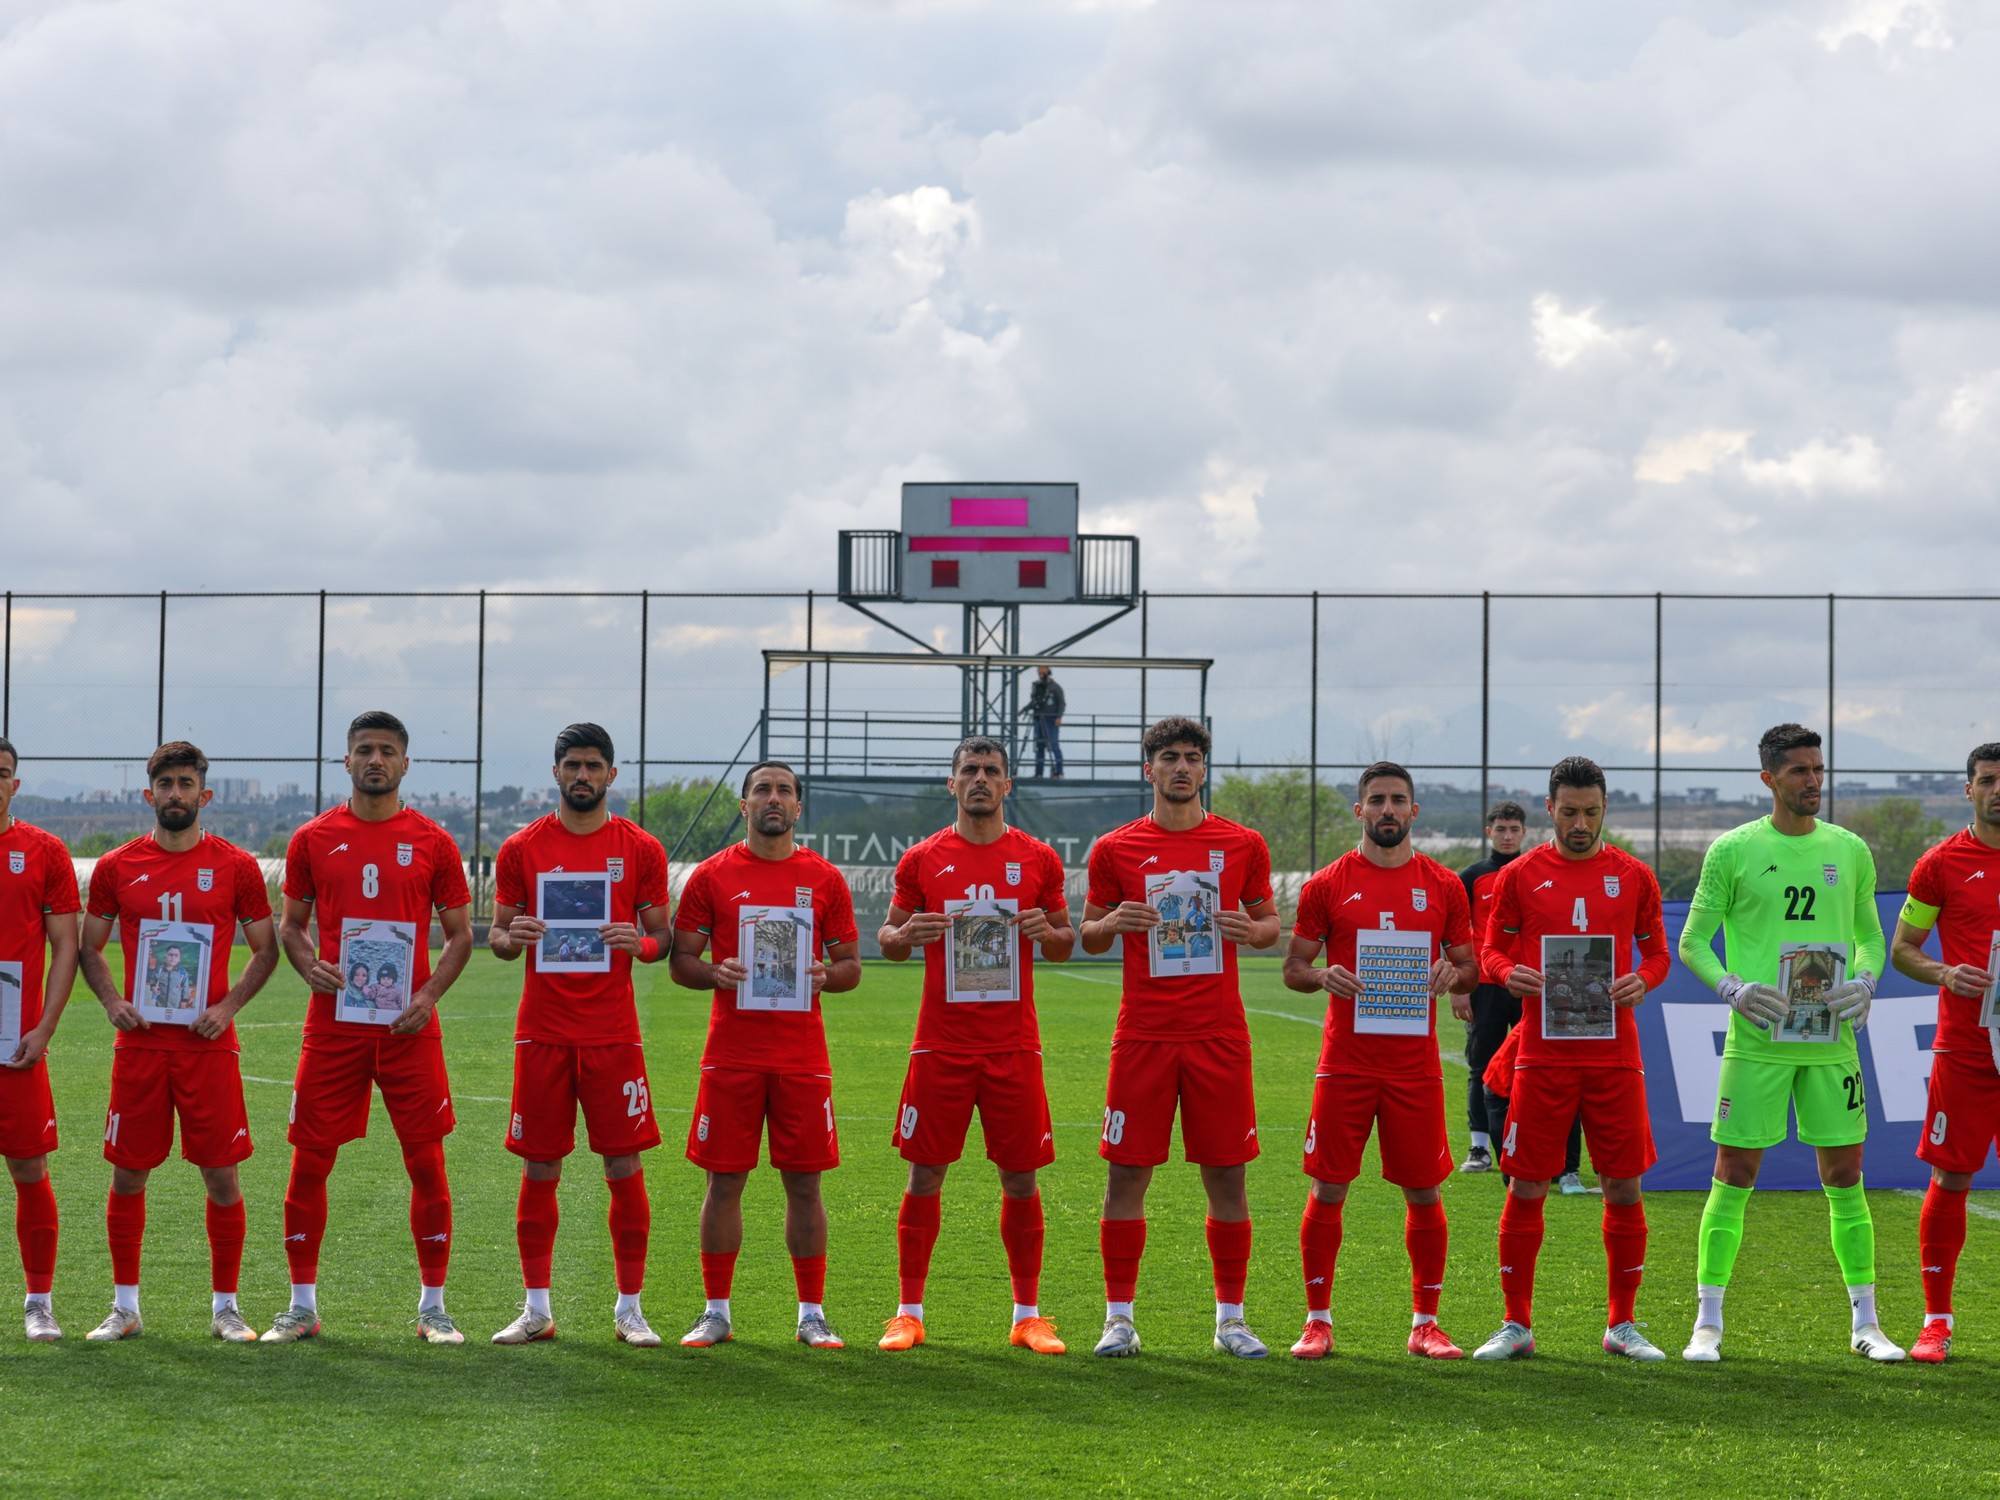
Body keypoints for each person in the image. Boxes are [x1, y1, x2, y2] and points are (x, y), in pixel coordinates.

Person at [1676, 723, 1899, 1363]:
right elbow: (1693, 942)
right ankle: (1707, 1325)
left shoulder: (1850, 849)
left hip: (1832, 1042)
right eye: (1799, 771)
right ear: (1769, 778)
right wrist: (1734, 991)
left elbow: (1871, 937)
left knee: (1846, 1175)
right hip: (1758, 1041)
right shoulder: (1734, 850)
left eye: (1818, 769)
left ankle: (1867, 1324)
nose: (1813, 782)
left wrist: (1864, 979)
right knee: (1734, 1173)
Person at [265, 711, 475, 1345]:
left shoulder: (434, 841)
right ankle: (302, 1306)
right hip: (333, 1025)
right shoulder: (312, 837)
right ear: (348, 761)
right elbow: (291, 926)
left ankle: (433, 1307)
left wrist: (430, 993)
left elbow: (462, 935)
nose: (375, 759)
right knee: (310, 1161)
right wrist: (309, 966)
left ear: (406, 763)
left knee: (427, 1163)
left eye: (387, 750)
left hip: (410, 1025)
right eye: (364, 750)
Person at [1079, 715, 1281, 1358]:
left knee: (1227, 1177)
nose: (1182, 767)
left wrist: (1253, 933)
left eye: (1193, 757)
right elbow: (1086, 935)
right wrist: (1113, 919)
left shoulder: (1242, 843)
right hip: (1143, 1035)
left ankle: (1231, 1320)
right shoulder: (1115, 848)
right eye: (1169, 757)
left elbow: (1271, 923)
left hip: (1219, 1035)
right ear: (1149, 769)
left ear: (1204, 769)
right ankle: (1118, 1318)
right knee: (1125, 1177)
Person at [876, 735, 1074, 1355]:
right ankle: (908, 1312)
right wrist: (905, 932)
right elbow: (886, 939)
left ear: (1008, 785)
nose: (981, 779)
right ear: (952, 784)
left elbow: (1067, 939)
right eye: (970, 770)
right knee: (925, 1172)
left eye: (991, 770)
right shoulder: (922, 859)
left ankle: (1028, 1315)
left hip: (1013, 1044)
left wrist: (1050, 931)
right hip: (941, 1043)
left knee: (1021, 1178)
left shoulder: (1038, 859)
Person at [1470, 756, 1671, 1363]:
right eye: (1568, 811)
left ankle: (1622, 1324)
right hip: (1541, 1056)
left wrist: (1643, 980)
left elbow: (1658, 953)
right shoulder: (1520, 875)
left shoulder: (1634, 875)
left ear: (1604, 808)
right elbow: (1489, 952)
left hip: (1614, 1057)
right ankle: (1516, 1323)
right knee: (1528, 1182)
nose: (1579, 823)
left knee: (1623, 1183)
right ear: (1550, 808)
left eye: (1590, 811)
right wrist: (1511, 974)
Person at [76, 741, 279, 1343]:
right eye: (165, 784)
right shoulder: (116, 866)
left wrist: (228, 1005)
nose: (175, 794)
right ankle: (125, 1307)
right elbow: (89, 946)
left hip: (207, 1046)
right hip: (140, 1046)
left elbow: (265, 949)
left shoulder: (237, 867)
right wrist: (114, 1002)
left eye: (186, 784)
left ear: (204, 794)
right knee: (128, 1176)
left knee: (222, 1177)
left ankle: (226, 1308)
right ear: (149, 795)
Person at [1281, 761, 1477, 1360]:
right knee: (1329, 1187)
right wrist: (1322, 975)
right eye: (1376, 800)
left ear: (1415, 812)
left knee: (1424, 1192)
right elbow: (1293, 969)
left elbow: (1470, 965)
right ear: (1359, 811)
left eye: (1397, 800)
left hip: (1413, 1068)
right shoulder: (1326, 884)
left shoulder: (1443, 885)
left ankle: (1426, 1323)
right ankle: (1318, 1321)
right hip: (1345, 1062)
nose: (1387, 809)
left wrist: (1453, 972)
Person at [489, 724, 672, 1348]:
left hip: (611, 1034)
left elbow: (662, 940)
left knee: (623, 1161)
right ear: (556, 771)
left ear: (612, 775)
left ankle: (630, 1308)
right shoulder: (521, 847)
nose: (583, 776)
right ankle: (537, 1306)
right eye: (572, 765)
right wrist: (516, 938)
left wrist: (638, 942)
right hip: (541, 1031)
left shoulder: (641, 849)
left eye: (594, 766)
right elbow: (498, 939)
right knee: (541, 1165)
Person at [670, 760, 861, 1351]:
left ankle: (811, 1314)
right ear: (743, 805)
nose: (772, 799)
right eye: (761, 790)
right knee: (724, 1183)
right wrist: (715, 973)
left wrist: (827, 975)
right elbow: (681, 962)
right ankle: (716, 1311)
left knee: (805, 1185)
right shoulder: (712, 876)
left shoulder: (825, 879)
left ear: (798, 807)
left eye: (783, 791)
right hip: (732, 1054)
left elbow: (852, 967)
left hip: (802, 1056)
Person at [1891, 741, 2000, 1363]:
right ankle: (1936, 1322)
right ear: (1970, 790)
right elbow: (1905, 946)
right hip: (1965, 1047)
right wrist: (1945, 973)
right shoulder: (1939, 865)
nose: (1996, 790)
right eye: (1986, 780)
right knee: (1951, 1176)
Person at [0, 737, 82, 1342]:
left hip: (15, 1045)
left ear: (16, 784)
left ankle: (39, 1302)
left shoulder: (43, 850)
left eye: (2, 773)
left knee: (29, 1168)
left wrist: (44, 1027)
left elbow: (66, 947)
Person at [1457, 801, 1526, 1172]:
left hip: (1527, 981)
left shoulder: (1535, 871)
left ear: (1524, 833)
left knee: (1533, 1064)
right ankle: (1479, 1148)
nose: (1508, 835)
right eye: (1501, 829)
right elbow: (1454, 932)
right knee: (1481, 1064)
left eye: (1514, 829)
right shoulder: (1472, 877)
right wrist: (1459, 984)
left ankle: (1527, 1139)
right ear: (1490, 832)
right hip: (1484, 983)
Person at [1024, 665, 1065, 780]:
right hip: (1039, 719)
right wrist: (1025, 709)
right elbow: (1034, 701)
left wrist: (1059, 716)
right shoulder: (1038, 686)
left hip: (1051, 720)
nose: (1040, 674)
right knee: (1040, 745)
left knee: (1054, 745)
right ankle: (1039, 772)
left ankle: (1059, 771)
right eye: (1039, 672)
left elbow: (1061, 703)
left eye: (1043, 672)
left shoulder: (1056, 688)